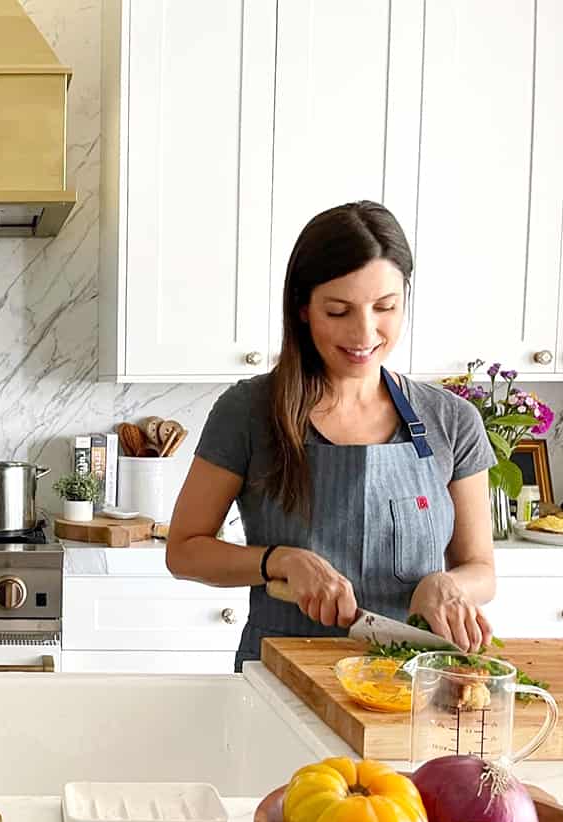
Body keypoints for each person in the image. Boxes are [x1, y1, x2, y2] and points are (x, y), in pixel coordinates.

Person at [166, 201, 495, 672]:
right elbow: (184, 551)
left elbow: (481, 567)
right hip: (283, 675)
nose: (365, 333)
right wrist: (279, 561)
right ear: (303, 309)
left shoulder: (452, 419)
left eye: (385, 307)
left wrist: (449, 585)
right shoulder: (248, 412)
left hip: (413, 680)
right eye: (338, 311)